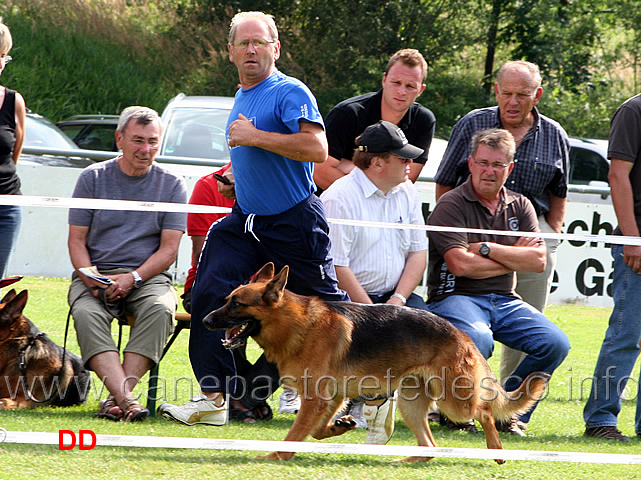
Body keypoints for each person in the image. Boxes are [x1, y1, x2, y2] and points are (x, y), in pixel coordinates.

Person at [157, 11, 349, 427]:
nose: (251, 49)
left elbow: (316, 149)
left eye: (259, 42)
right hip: (245, 220)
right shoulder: (242, 95)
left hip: (293, 221)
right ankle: (215, 397)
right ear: (230, 52)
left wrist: (255, 137)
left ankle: (373, 390)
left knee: (332, 314)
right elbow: (252, 152)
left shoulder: (289, 90)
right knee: (209, 293)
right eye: (243, 43)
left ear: (275, 48)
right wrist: (234, 178)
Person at [433, 60, 570, 400]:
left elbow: (560, 191)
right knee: (476, 335)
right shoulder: (473, 123)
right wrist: (455, 224)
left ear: (536, 96)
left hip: (527, 224)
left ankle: (508, 403)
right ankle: (466, 401)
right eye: (506, 93)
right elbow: (445, 180)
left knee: (541, 334)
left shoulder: (555, 134)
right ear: (496, 91)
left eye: (521, 94)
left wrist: (548, 235)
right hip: (472, 221)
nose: (512, 101)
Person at [426, 128, 570, 435]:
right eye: (483, 162)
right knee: (478, 340)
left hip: (505, 298)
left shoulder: (521, 205)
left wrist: (488, 250)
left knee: (555, 343)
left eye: (497, 165)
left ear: (510, 168)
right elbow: (459, 264)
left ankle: (505, 415)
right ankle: (458, 414)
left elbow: (537, 261)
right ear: (470, 163)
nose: (489, 171)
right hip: (455, 297)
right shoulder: (451, 204)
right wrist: (510, 257)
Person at [67, 106, 187, 422]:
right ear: (119, 139)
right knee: (85, 312)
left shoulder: (173, 184)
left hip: (148, 277)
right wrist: (93, 280)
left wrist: (133, 278)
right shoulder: (91, 178)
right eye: (137, 140)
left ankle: (118, 398)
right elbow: (76, 241)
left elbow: (169, 250)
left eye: (152, 142)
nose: (145, 150)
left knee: (161, 310)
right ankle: (127, 400)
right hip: (95, 274)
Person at [321, 120, 429, 444]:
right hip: (348, 304)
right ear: (378, 163)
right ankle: (374, 404)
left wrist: (396, 302)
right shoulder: (339, 197)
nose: (411, 164)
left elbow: (418, 254)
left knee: (436, 341)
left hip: (398, 300)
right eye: (403, 158)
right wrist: (375, 316)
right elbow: (337, 266)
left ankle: (394, 406)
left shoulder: (407, 191)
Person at [583, 94, 641, 442]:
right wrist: (632, 239)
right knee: (625, 337)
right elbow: (617, 176)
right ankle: (600, 419)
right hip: (637, 242)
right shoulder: (633, 111)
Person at [314, 48, 435, 190]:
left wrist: (351, 166)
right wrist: (366, 198)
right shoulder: (348, 113)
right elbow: (319, 171)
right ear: (384, 80)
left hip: (386, 208)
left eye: (410, 86)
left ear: (421, 90)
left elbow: (405, 182)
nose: (401, 92)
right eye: (396, 82)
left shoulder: (423, 121)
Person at [0, 22, 26, 282]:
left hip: (6, 204)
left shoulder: (13, 100)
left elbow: (13, 154)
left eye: (3, 56)